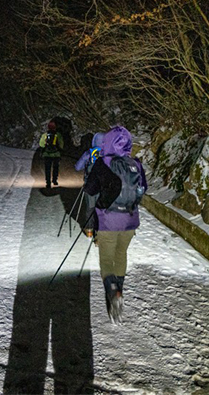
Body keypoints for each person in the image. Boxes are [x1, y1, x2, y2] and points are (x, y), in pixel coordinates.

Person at [83, 126, 146, 324]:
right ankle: (120, 289)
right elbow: (143, 189)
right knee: (121, 254)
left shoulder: (103, 163)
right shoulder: (135, 164)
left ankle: (112, 290)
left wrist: (90, 224)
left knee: (106, 259)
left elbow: (90, 194)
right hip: (130, 220)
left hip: (108, 220)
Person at [74, 132, 104, 237]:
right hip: (104, 186)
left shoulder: (89, 153)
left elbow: (77, 167)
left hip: (90, 185)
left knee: (90, 208)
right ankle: (100, 233)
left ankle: (89, 230)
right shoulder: (109, 154)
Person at [39, 120, 64, 189]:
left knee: (47, 169)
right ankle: (55, 180)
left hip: (47, 154)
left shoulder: (45, 135)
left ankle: (48, 183)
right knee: (55, 167)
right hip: (56, 154)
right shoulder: (58, 135)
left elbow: (41, 144)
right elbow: (61, 144)